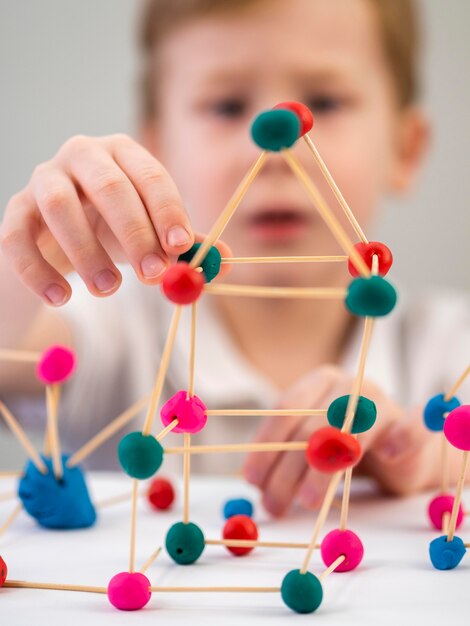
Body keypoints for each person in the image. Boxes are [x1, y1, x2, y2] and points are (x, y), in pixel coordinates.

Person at [0, 0, 468, 517]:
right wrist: (25, 261)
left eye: (325, 102)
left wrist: (435, 461)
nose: (270, 152)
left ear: (406, 148)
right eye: (226, 106)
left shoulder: (452, 352)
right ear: (158, 152)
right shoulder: (108, 329)